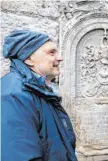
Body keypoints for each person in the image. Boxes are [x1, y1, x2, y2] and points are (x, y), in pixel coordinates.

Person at [1, 30, 77, 161]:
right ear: (28, 59)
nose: (60, 58)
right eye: (51, 52)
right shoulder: (14, 94)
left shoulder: (38, 89)